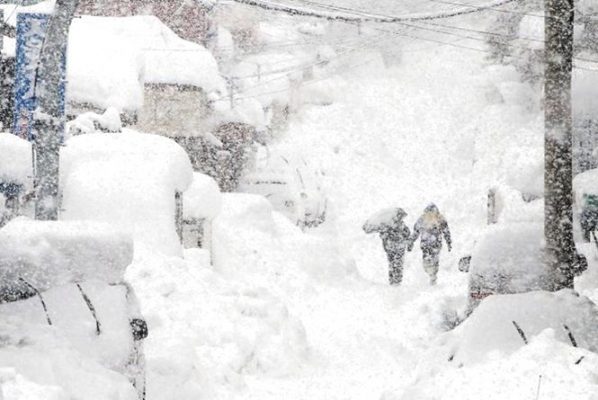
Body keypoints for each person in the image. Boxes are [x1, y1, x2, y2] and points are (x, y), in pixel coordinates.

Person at [363, 208, 411, 285]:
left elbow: (406, 234)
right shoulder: (398, 225)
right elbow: (407, 234)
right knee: (397, 264)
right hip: (397, 247)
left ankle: (393, 280)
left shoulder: (387, 225)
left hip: (391, 247)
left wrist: (385, 235)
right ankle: (396, 280)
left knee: (393, 263)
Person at [408, 204, 452, 285]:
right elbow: (415, 232)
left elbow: (446, 232)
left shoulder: (440, 220)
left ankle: (432, 275)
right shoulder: (422, 220)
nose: (431, 215)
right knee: (428, 260)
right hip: (427, 244)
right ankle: (430, 273)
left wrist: (449, 243)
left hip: (434, 244)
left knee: (434, 260)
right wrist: (411, 242)